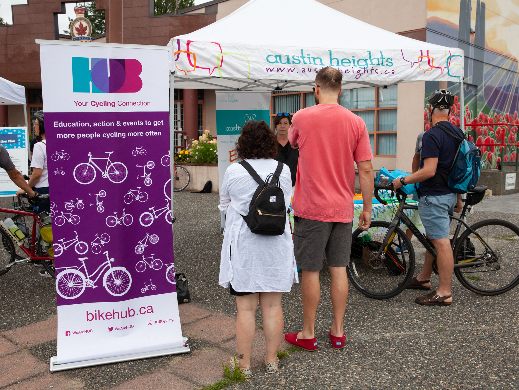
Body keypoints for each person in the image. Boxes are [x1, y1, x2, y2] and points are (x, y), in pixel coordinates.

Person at [285, 67, 374, 351]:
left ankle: (308, 333)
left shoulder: (301, 117)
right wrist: (368, 208)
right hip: (343, 208)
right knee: (339, 268)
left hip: (311, 208)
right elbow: (366, 169)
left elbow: (292, 142)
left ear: (316, 89)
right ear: (341, 90)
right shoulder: (356, 123)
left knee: (310, 271)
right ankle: (337, 331)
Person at [218, 120, 298, 376]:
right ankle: (272, 360)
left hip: (245, 247)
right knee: (273, 307)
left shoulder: (234, 170)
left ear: (243, 143)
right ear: (270, 142)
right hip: (276, 246)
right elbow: (286, 203)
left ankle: (244, 365)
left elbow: (223, 205)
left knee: (246, 308)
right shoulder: (283, 170)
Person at [392, 89, 463, 306]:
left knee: (441, 243)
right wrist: (458, 199)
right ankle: (424, 278)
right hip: (449, 195)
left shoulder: (432, 135)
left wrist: (403, 181)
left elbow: (429, 170)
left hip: (435, 196)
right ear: (450, 110)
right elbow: (458, 170)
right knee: (434, 237)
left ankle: (444, 292)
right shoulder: (457, 134)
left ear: (430, 109)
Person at [16, 111, 49, 212]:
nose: (34, 127)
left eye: (36, 124)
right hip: (54, 187)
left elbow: (37, 175)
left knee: (43, 222)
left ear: (42, 126)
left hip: (42, 189)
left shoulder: (40, 146)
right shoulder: (57, 143)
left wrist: (25, 188)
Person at [274, 113, 299, 187]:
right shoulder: (270, 144)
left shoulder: (297, 143)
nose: (282, 126)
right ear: (276, 126)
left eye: (285, 123)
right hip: (274, 185)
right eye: (279, 123)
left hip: (294, 185)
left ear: (290, 126)